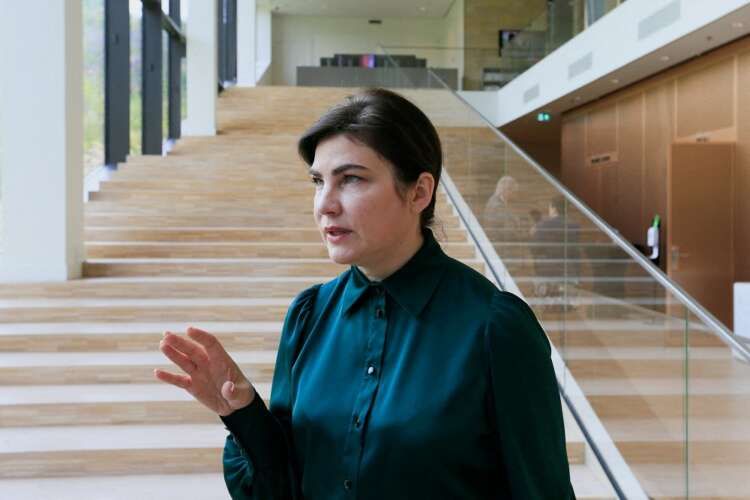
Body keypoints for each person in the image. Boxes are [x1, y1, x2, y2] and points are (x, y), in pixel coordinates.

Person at [155, 88, 576, 499]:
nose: (325, 204)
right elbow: (281, 487)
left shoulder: (494, 327)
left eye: (351, 179)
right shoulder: (308, 315)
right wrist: (242, 413)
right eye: (318, 181)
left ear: (419, 192)